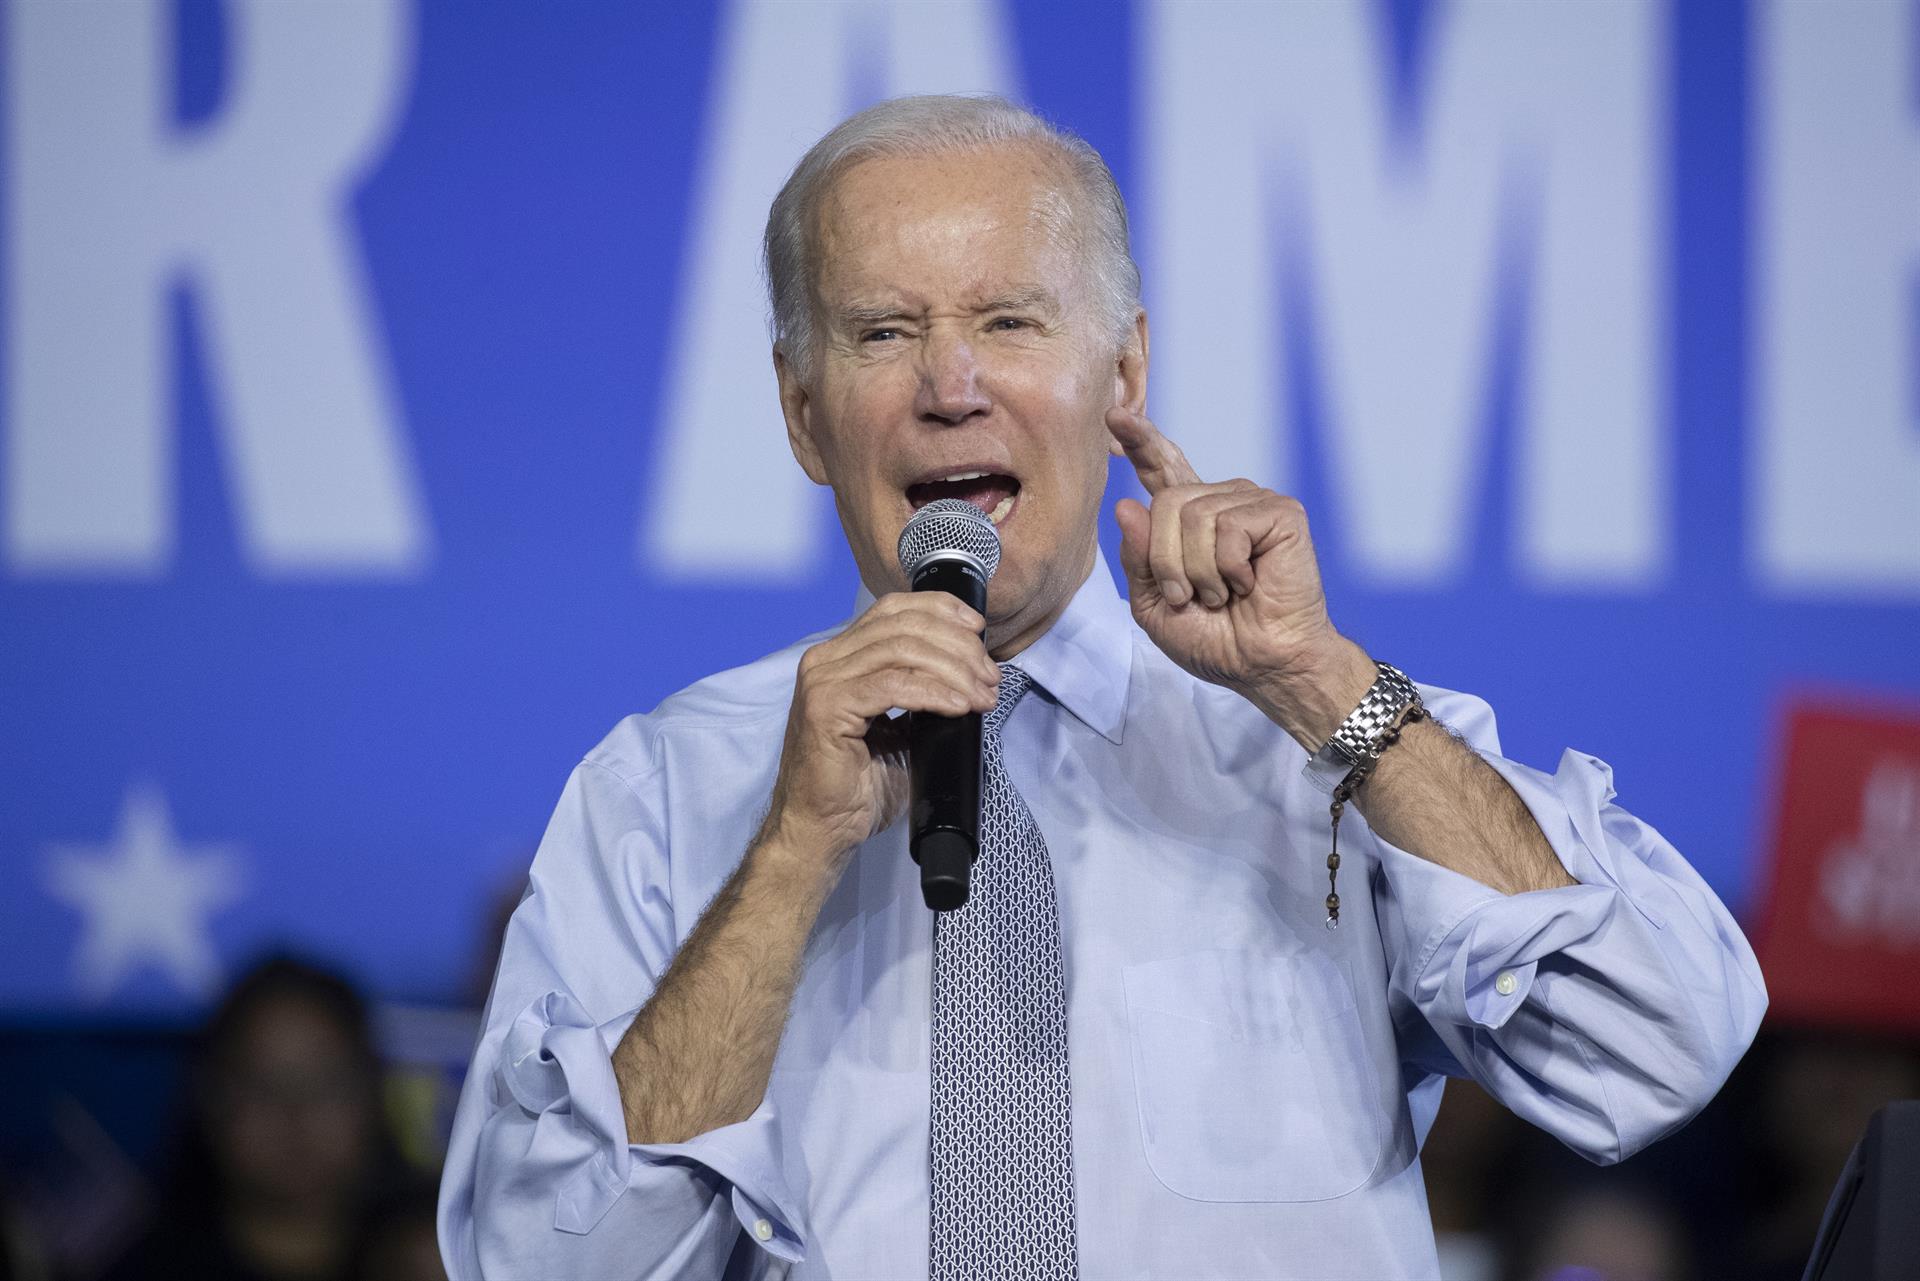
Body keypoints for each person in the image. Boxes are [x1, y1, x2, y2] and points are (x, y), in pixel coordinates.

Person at [438, 94, 1766, 1279]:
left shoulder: (1318, 735)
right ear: (801, 413)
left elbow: (1663, 1048)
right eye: (883, 331)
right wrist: (788, 859)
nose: (949, 388)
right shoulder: (669, 790)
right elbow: (539, 1266)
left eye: (1008, 320)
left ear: (1122, 369)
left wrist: (1321, 686)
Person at [110, 955, 405, 1281]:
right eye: (262, 1086)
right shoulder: (145, 1268)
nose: (294, 1114)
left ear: (371, 1090)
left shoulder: (438, 1257)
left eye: (325, 1082)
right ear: (211, 1096)